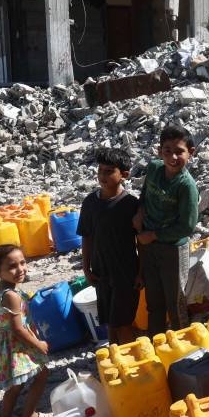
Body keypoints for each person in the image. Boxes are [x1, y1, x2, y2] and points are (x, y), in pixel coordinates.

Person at [0, 244, 51, 417]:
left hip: (4, 343)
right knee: (42, 374)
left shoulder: (0, 289)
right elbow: (17, 328)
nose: (20, 269)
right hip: (17, 345)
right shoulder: (12, 296)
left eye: (22, 262)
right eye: (12, 266)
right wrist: (38, 344)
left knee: (15, 385)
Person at [136, 126, 200, 336]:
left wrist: (153, 235)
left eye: (179, 151)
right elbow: (144, 193)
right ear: (159, 151)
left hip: (172, 249)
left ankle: (183, 350)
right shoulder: (154, 168)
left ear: (191, 152)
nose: (173, 157)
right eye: (167, 151)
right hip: (148, 246)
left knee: (175, 302)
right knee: (154, 301)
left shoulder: (186, 186)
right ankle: (156, 345)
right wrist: (140, 210)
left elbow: (187, 227)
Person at [78, 147, 140, 345]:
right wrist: (86, 267)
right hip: (101, 272)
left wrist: (141, 272)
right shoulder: (90, 203)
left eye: (109, 171)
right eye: (100, 170)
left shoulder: (131, 204)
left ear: (124, 175)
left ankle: (130, 361)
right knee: (109, 322)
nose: (102, 176)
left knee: (123, 322)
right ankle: (115, 358)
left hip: (126, 273)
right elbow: (86, 237)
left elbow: (142, 242)